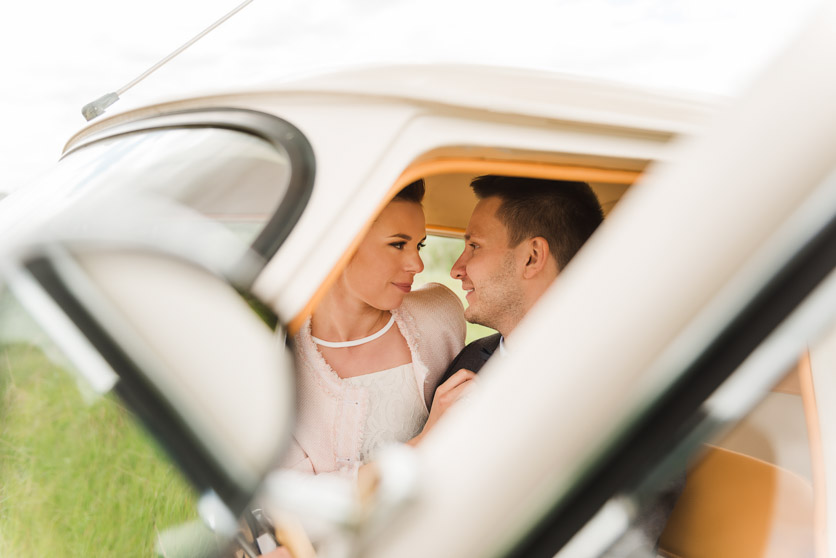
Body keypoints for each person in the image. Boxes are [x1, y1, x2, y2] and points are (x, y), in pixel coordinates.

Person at [435, 174, 682, 555]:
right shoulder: (470, 360)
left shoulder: (632, 385)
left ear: (533, 256)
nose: (456, 268)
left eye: (473, 246)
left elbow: (622, 542)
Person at [279, 179, 466, 477]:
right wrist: (423, 442)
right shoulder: (276, 354)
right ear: (340, 245)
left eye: (418, 245)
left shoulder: (441, 315)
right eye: (398, 244)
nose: (417, 264)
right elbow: (293, 499)